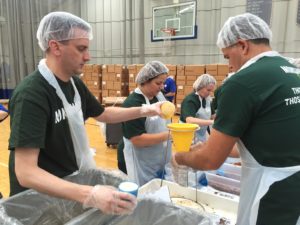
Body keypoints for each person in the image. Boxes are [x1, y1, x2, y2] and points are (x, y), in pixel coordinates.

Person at [8, 12, 164, 215]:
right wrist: (89, 194)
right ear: (55, 47)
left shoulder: (74, 84)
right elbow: (26, 172)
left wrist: (145, 110)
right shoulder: (32, 94)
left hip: (67, 187)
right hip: (37, 201)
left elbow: (103, 114)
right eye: (81, 49)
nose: (88, 56)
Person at [174, 13, 300, 225]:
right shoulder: (291, 71)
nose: (230, 66)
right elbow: (264, 135)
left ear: (242, 45)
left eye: (227, 57)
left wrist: (180, 158)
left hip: (271, 191)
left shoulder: (242, 82)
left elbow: (209, 160)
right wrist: (210, 146)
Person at [121, 61, 172, 186]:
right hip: (141, 162)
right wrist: (170, 135)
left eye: (163, 83)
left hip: (158, 158)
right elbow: (138, 140)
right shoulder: (132, 103)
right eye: (158, 83)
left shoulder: (159, 97)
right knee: (144, 194)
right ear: (144, 81)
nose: (162, 87)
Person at [180, 74, 216, 143]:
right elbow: (189, 120)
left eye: (211, 91)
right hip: (188, 136)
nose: (209, 93)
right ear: (200, 86)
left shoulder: (207, 100)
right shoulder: (190, 100)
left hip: (201, 135)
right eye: (208, 90)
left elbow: (213, 116)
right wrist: (212, 122)